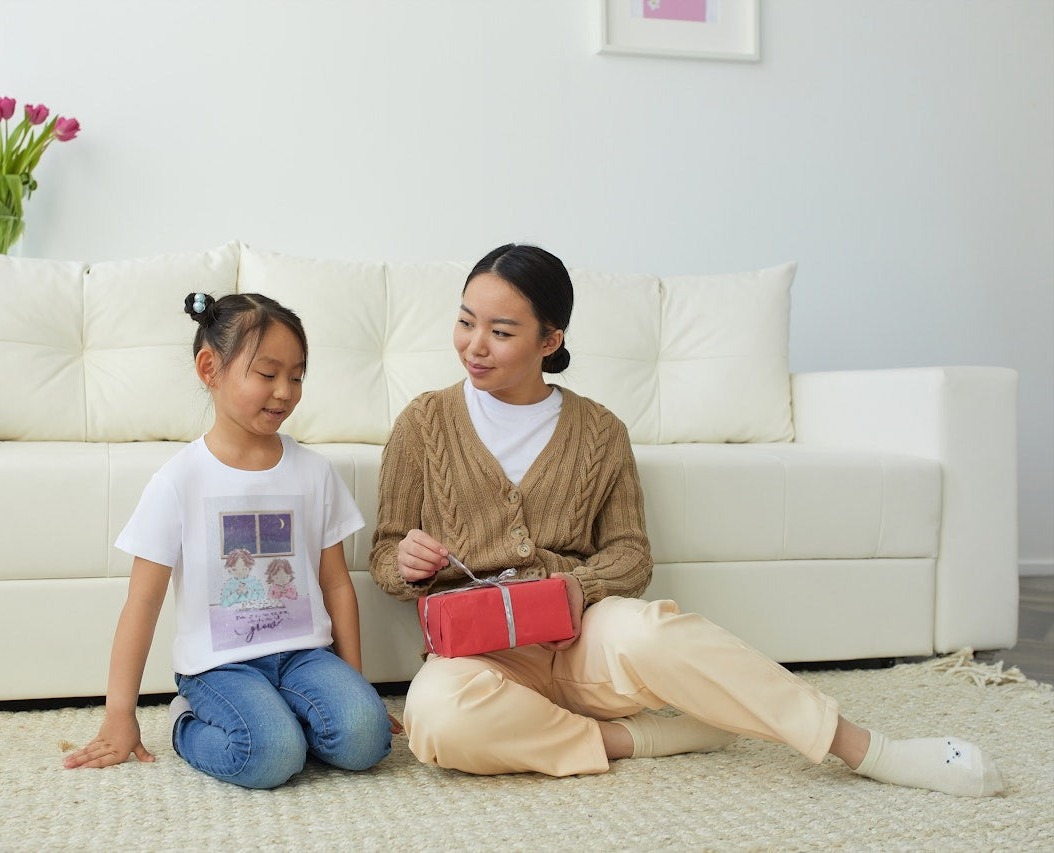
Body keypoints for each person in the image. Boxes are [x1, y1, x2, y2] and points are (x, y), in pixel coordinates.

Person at [369, 243, 1005, 798]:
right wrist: (404, 563)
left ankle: (870, 750)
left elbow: (629, 556)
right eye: (464, 322)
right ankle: (639, 740)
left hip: (582, 640)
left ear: (550, 340)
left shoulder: (599, 431)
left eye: (501, 331)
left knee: (658, 633)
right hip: (480, 659)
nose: (474, 346)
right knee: (436, 719)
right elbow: (386, 550)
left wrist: (570, 592)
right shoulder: (424, 425)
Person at [65, 292, 395, 789]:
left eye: (297, 375)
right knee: (271, 755)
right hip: (221, 667)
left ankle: (294, 714)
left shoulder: (314, 472)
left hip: (306, 656)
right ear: (209, 368)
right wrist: (120, 714)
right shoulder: (179, 480)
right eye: (267, 374)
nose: (285, 391)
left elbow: (337, 586)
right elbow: (143, 600)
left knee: (367, 740)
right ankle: (185, 721)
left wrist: (354, 687)